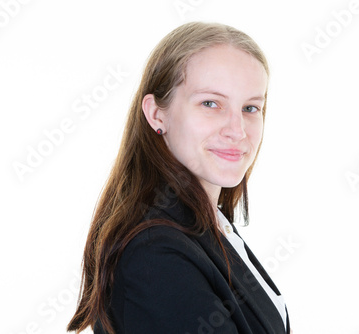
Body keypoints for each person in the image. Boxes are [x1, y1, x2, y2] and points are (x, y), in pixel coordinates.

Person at [67, 21, 291, 334]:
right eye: (210, 103)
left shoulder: (210, 224)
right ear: (157, 114)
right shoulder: (154, 254)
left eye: (251, 108)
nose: (238, 130)